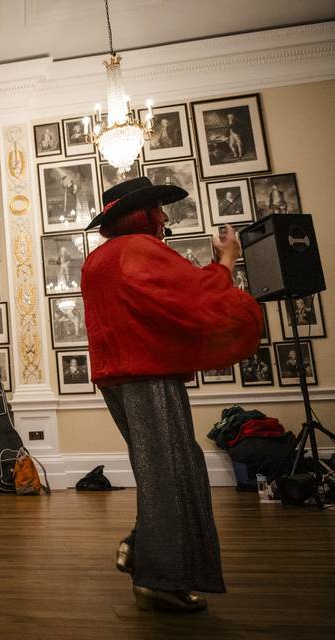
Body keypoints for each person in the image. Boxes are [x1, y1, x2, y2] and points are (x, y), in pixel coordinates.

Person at [81, 176, 262, 612]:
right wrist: (225, 263)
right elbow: (197, 298)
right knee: (174, 472)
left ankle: (141, 546)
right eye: (158, 209)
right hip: (147, 376)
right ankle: (158, 581)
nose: (164, 216)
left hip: (116, 378)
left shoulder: (98, 259)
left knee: (160, 469)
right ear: (140, 214)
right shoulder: (140, 249)